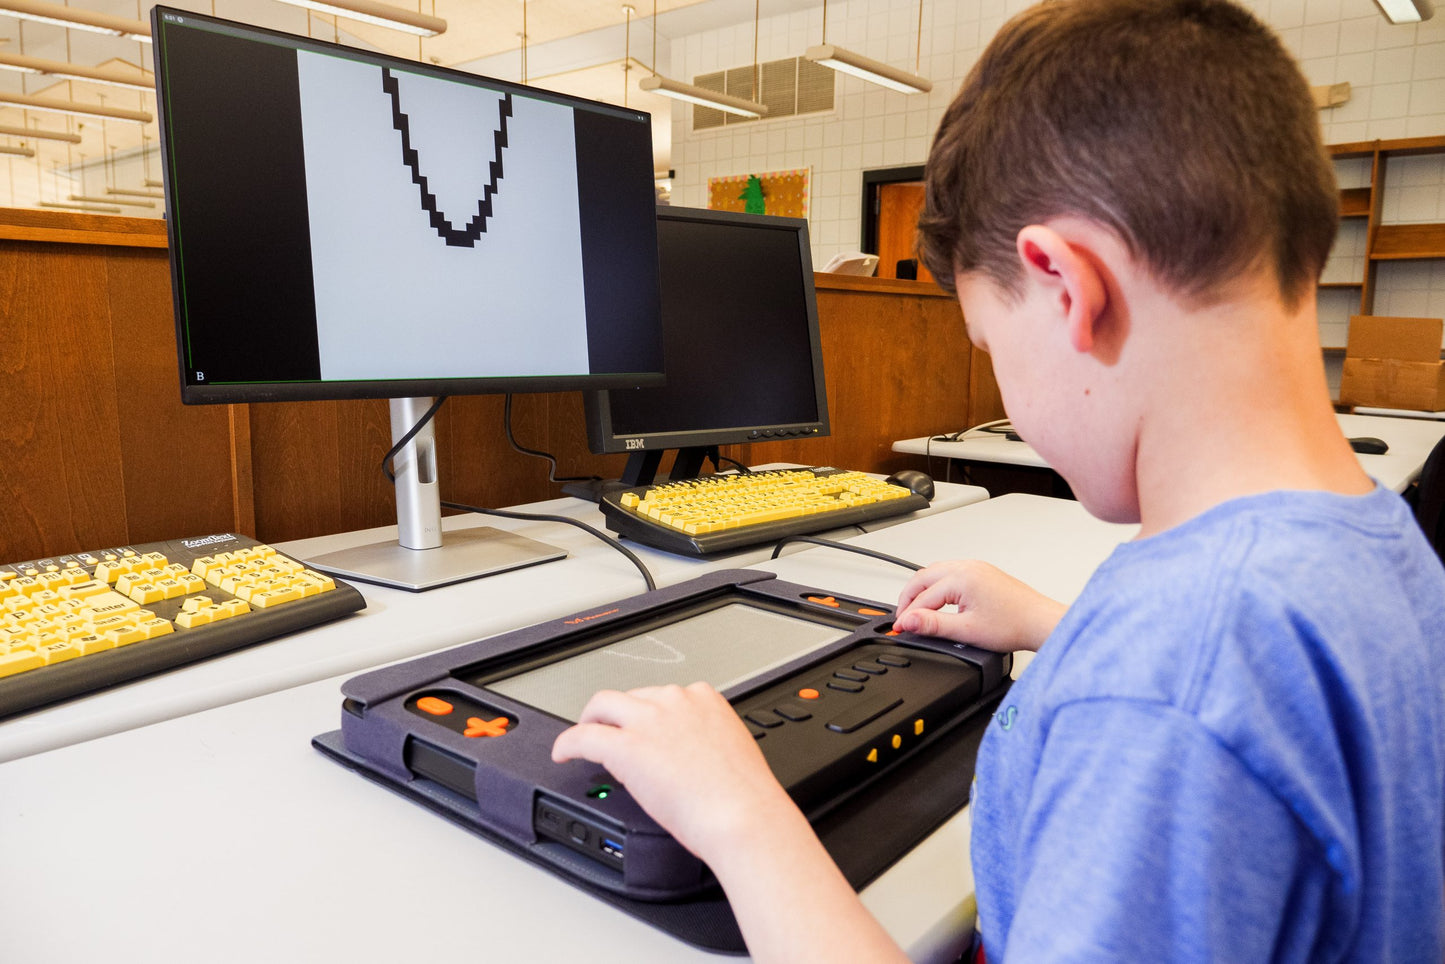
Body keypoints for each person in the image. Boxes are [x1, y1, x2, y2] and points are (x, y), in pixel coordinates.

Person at [553, 0, 1445, 958]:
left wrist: (737, 814)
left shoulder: (1165, 694)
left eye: (991, 346)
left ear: (1070, 287)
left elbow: (1186, 706)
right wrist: (1070, 631)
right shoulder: (1380, 545)